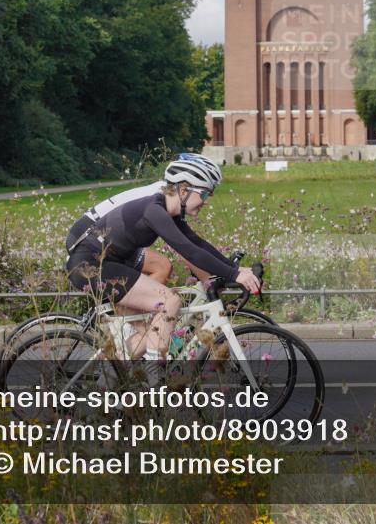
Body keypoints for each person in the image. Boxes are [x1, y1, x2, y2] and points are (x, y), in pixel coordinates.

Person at [65, 155, 260, 381]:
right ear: (184, 189)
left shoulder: (168, 211)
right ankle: (154, 379)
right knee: (169, 301)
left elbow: (198, 244)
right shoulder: (154, 210)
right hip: (90, 264)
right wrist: (235, 275)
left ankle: (106, 386)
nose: (206, 200)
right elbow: (189, 251)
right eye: (205, 193)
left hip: (110, 262)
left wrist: (234, 269)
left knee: (145, 335)